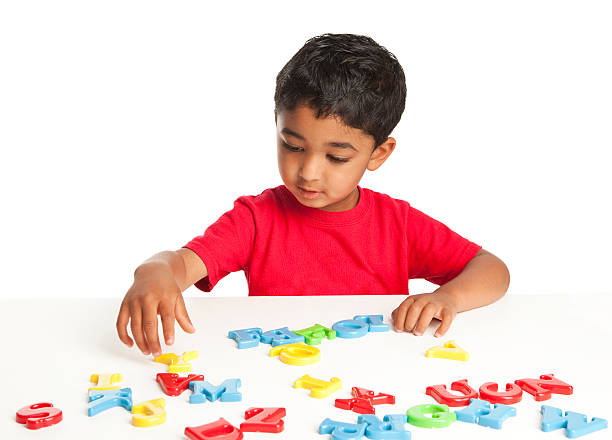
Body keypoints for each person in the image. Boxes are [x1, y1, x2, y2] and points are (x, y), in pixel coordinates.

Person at [116, 33, 510, 358]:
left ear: (378, 154)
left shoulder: (397, 224)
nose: (307, 172)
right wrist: (155, 271)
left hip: (379, 379)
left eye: (336, 156)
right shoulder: (256, 219)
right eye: (293, 145)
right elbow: (183, 264)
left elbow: (491, 269)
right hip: (281, 379)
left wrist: (449, 298)